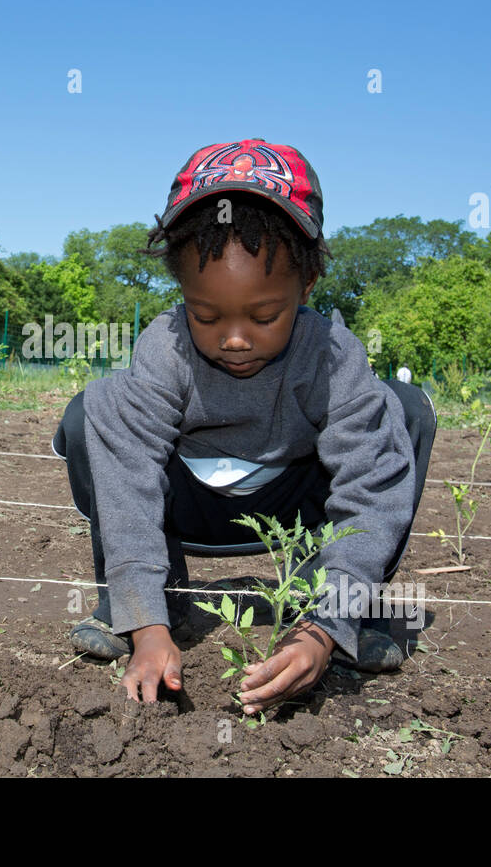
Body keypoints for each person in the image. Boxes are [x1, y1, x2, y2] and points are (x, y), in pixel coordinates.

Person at [50, 139, 435, 714]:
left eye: (264, 315)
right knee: (96, 410)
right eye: (206, 315)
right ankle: (156, 601)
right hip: (187, 507)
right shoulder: (166, 348)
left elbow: (371, 491)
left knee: (401, 409)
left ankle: (337, 610)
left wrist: (323, 631)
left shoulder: (332, 356)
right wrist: (148, 628)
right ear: (182, 293)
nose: (234, 338)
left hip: (296, 514)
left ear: (306, 286)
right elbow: (130, 480)